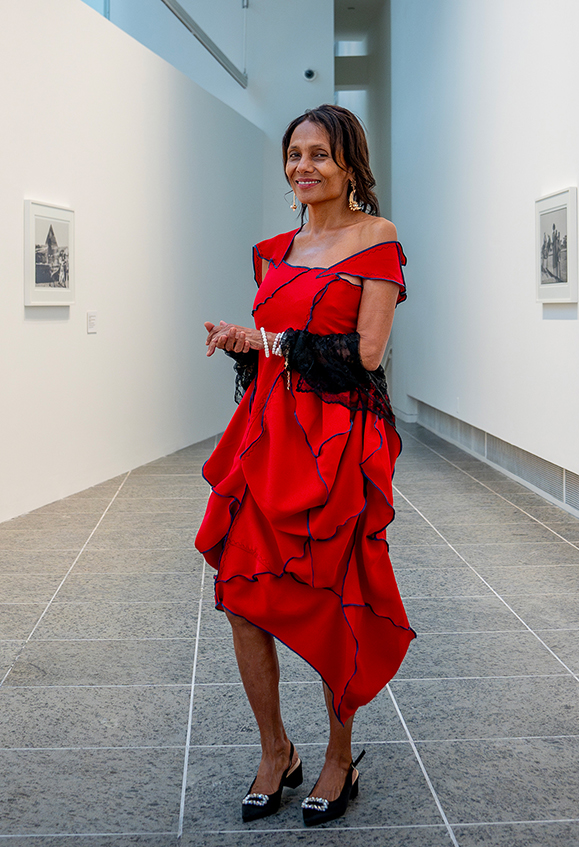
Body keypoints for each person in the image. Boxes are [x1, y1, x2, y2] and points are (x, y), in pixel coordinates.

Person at [198, 104, 411, 828]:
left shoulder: (376, 240)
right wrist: (242, 339)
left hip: (338, 442)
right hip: (270, 439)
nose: (304, 167)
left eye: (320, 154)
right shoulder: (274, 250)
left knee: (334, 594)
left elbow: (367, 353)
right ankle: (274, 749)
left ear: (349, 164)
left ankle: (338, 755)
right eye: (295, 154)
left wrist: (272, 342)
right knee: (241, 590)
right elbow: (274, 343)